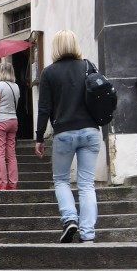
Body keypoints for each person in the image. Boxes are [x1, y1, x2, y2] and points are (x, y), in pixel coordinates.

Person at [34, 30, 102, 243]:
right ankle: (88, 234)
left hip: (64, 132)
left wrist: (39, 137)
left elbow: (44, 108)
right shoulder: (89, 66)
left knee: (61, 179)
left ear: (56, 47)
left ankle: (70, 219)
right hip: (90, 131)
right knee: (87, 184)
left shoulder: (49, 73)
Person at [0, 59, 20, 191]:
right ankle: (13, 184)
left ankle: (2, 183)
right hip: (13, 120)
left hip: (1, 121)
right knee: (11, 154)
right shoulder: (16, 86)